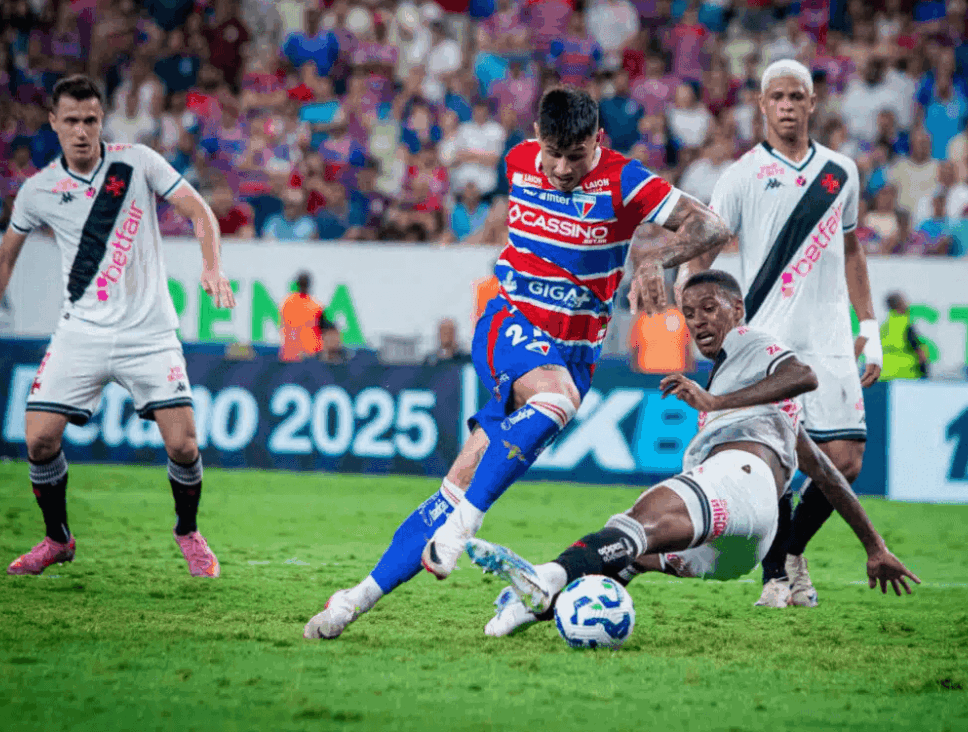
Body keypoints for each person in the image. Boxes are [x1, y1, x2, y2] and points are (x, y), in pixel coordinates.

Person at [303, 87, 731, 639]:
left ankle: (351, 601)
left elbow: (712, 226)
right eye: (552, 152)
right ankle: (464, 529)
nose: (561, 167)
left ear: (597, 141)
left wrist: (655, 256)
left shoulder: (626, 179)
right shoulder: (517, 160)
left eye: (575, 155)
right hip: (510, 324)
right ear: (536, 138)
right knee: (554, 402)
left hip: (574, 353)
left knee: (461, 479)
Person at [466, 271, 919, 636]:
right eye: (689, 313)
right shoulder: (761, 399)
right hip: (737, 552)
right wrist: (874, 547)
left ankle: (544, 578)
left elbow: (804, 375)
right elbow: (826, 472)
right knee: (623, 553)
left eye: (709, 308)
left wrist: (715, 403)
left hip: (738, 482)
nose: (698, 320)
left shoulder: (752, 342)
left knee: (638, 522)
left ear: (737, 310)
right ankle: (534, 610)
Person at [0, 75, 236, 577]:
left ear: (102, 121)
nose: (80, 131)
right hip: (83, 332)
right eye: (70, 120)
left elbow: (199, 210)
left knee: (184, 445)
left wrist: (211, 265)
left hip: (150, 333)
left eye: (90, 120)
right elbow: (3, 260)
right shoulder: (39, 190)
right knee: (38, 440)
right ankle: (58, 539)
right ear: (53, 123)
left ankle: (187, 530)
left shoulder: (137, 162)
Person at [674, 60, 883, 609]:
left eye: (797, 97)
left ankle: (791, 552)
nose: (788, 106)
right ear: (762, 105)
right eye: (777, 97)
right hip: (767, 337)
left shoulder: (841, 172)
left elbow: (853, 249)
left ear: (812, 104)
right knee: (779, 458)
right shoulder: (742, 174)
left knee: (848, 458)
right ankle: (776, 579)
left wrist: (872, 328)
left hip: (832, 336)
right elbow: (705, 249)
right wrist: (695, 313)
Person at [879, 293, 928, 381]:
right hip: (905, 376)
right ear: (901, 305)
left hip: (884, 376)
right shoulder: (906, 324)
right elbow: (920, 352)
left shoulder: (884, 326)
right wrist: (925, 374)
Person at [279, 272, 324, 362]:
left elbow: (282, 326)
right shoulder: (315, 305)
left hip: (292, 354)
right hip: (309, 355)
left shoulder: (287, 302)